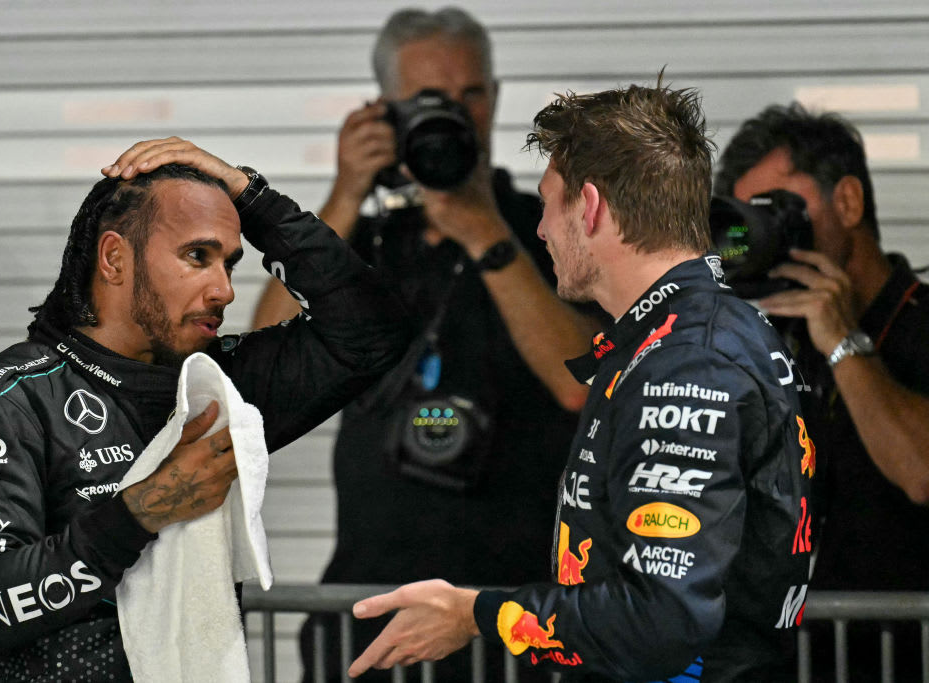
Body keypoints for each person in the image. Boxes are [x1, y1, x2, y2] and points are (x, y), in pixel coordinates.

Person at [345, 82, 816, 682]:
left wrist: (476, 614)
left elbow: (661, 620)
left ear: (589, 207)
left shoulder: (687, 364)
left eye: (547, 204)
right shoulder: (688, 337)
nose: (539, 230)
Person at [0, 137, 411, 682]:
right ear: (113, 258)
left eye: (230, 263)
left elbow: (374, 332)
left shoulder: (216, 387)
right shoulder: (2, 401)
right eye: (197, 256)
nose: (224, 289)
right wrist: (142, 511)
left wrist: (252, 197)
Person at [250, 8, 599, 681]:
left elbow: (582, 382)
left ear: (495, 99)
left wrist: (484, 234)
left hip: (513, 614)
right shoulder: (361, 244)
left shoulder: (547, 229)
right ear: (384, 111)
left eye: (471, 94)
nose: (456, 114)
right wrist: (345, 193)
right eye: (427, 101)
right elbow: (263, 370)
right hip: (368, 606)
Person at [714, 103, 929, 680]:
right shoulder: (773, 343)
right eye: (748, 215)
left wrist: (842, 340)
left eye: (778, 209)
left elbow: (922, 471)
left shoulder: (921, 326)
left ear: (849, 202)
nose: (762, 230)